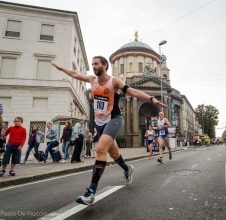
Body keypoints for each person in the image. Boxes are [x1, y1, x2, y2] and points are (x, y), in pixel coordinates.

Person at [52, 55, 167, 206]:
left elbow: (132, 91)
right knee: (113, 153)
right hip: (100, 123)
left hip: (114, 120)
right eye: (93, 64)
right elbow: (75, 74)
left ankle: (91, 193)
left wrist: (151, 99)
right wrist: (60, 68)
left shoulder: (114, 81)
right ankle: (127, 169)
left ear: (105, 65)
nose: (94, 66)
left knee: (100, 149)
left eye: (96, 64)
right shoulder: (92, 80)